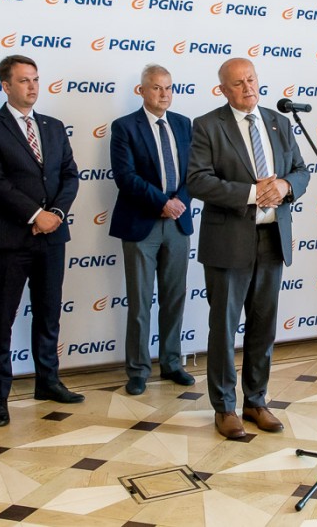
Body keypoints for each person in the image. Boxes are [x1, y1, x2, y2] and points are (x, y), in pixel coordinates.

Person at [187, 57, 309, 439]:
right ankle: (224, 407)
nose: (248, 88)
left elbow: (301, 171)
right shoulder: (208, 125)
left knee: (263, 326)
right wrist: (253, 193)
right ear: (223, 90)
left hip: (272, 238)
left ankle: (256, 401)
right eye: (238, 83)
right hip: (228, 241)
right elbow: (197, 180)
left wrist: (286, 186)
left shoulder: (279, 122)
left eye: (252, 79)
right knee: (224, 328)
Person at [0, 54, 82, 427]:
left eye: (35, 79)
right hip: (9, 238)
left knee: (48, 313)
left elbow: (70, 175)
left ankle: (48, 382)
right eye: (23, 80)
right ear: (5, 86)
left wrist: (56, 215)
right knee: (1, 318)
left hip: (53, 237)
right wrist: (36, 215)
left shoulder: (53, 126)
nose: (32, 86)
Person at [109, 64, 195, 395]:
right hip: (141, 223)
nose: (164, 94)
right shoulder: (124, 126)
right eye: (157, 87)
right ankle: (138, 370)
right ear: (142, 90)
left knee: (174, 298)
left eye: (169, 88)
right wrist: (162, 202)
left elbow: (194, 172)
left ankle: (171, 363)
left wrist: (178, 202)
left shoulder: (183, 124)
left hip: (178, 223)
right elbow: (125, 176)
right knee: (141, 301)